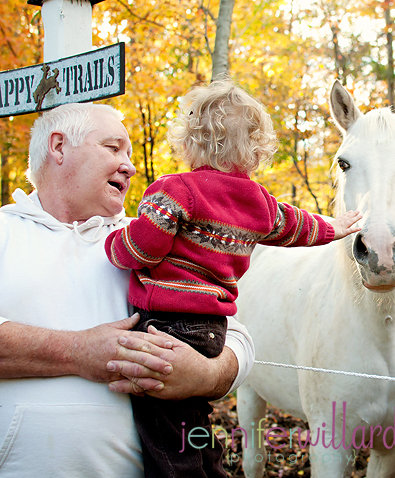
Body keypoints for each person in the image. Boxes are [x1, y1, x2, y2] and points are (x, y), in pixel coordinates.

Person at [104, 79, 361, 478]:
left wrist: (113, 245)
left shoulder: (175, 190)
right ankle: (213, 468)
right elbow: (299, 228)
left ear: (190, 144)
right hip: (213, 330)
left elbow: (144, 249)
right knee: (191, 416)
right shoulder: (259, 202)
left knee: (162, 424)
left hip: (170, 323)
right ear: (255, 152)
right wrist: (336, 226)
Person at [0, 102, 255, 477]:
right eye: (113, 147)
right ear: (58, 147)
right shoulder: (5, 233)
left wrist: (203, 374)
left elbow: (239, 340)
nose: (130, 166)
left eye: (130, 154)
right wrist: (76, 351)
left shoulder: (153, 239)